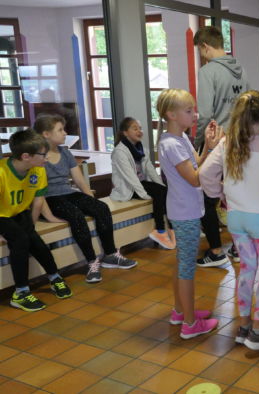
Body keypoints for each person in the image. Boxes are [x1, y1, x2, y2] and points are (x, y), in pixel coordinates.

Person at [200, 92, 259, 351]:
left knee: (246, 270)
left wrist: (219, 193)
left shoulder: (226, 144)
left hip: (236, 218)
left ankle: (243, 327)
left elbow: (205, 173)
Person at [35, 115, 137, 284]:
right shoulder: (38, 157)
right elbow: (38, 192)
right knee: (75, 215)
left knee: (101, 208)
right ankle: (91, 261)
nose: (65, 133)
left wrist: (90, 199)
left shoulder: (65, 152)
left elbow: (78, 179)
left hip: (68, 193)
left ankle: (110, 254)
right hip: (50, 198)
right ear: (46, 134)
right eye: (60, 130)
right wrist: (48, 216)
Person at [156, 88, 219, 339]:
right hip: (185, 212)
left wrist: (208, 147)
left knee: (182, 262)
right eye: (189, 110)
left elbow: (197, 163)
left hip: (187, 209)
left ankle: (180, 311)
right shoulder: (171, 143)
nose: (195, 114)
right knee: (186, 268)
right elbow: (195, 179)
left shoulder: (181, 138)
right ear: (171, 114)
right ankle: (190, 324)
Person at [193, 26, 247, 268]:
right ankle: (238, 248)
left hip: (218, 144)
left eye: (200, 50)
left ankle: (215, 251)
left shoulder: (207, 72)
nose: (201, 55)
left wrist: (197, 143)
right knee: (236, 198)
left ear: (205, 46)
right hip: (241, 141)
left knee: (206, 199)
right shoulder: (242, 71)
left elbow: (204, 115)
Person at [0, 129, 72, 311]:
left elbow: (38, 200)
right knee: (20, 239)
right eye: (43, 154)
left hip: (20, 212)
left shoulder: (38, 170)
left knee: (35, 241)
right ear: (26, 156)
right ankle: (21, 293)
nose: (46, 158)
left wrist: (30, 226)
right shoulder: (2, 173)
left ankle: (55, 277)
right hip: (2, 215)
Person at [110, 117, 174, 249]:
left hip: (141, 184)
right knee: (159, 193)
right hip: (128, 188)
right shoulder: (119, 152)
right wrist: (144, 194)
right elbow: (130, 177)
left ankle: (170, 230)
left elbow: (150, 169)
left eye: (140, 128)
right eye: (135, 128)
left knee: (165, 191)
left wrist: (162, 185)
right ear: (125, 132)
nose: (139, 131)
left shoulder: (140, 148)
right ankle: (161, 231)